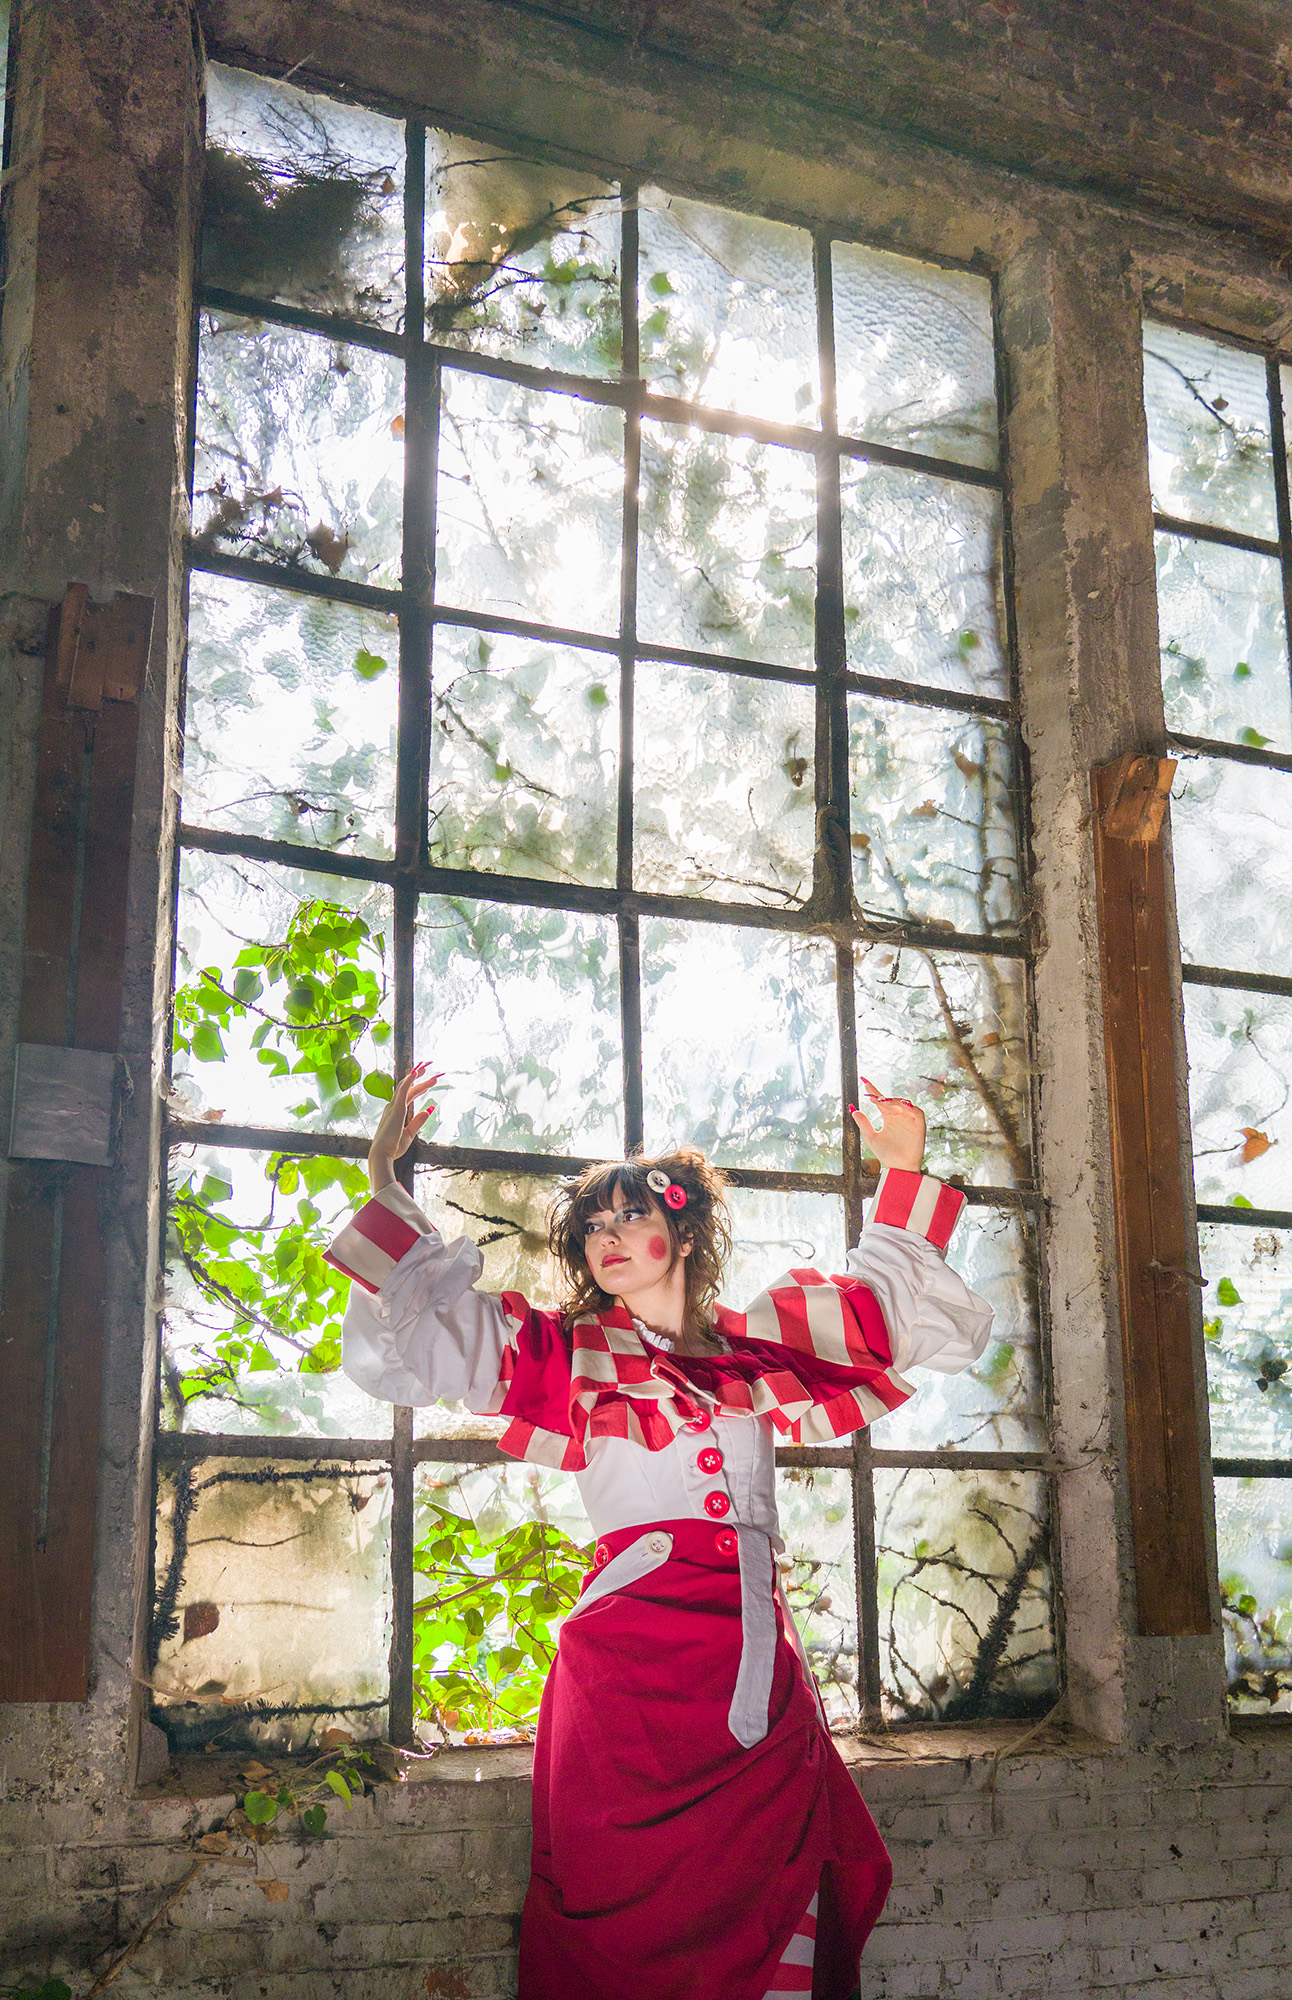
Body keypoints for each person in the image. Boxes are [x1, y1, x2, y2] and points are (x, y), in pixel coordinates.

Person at [325, 1068, 992, 2000]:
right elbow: (426, 1337)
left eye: (626, 1218)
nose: (605, 1241)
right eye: (592, 1228)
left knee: (784, 1881)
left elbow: (887, 1318)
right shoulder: (566, 1358)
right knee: (624, 1913)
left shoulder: (761, 1351)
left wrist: (903, 1168)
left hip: (757, 1671)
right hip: (627, 1681)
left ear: (681, 1233)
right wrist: (381, 1175)